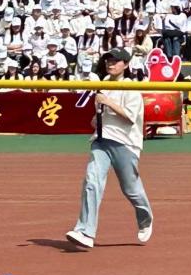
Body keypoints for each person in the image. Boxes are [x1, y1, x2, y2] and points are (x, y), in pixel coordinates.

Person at [66, 48, 154, 249]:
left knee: (131, 189)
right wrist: (96, 118)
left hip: (125, 143)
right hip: (101, 140)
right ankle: (85, 231)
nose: (110, 64)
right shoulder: (103, 83)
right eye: (108, 60)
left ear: (126, 64)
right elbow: (102, 110)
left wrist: (107, 102)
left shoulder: (131, 88)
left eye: (115, 61)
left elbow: (130, 117)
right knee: (92, 181)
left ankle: (145, 219)